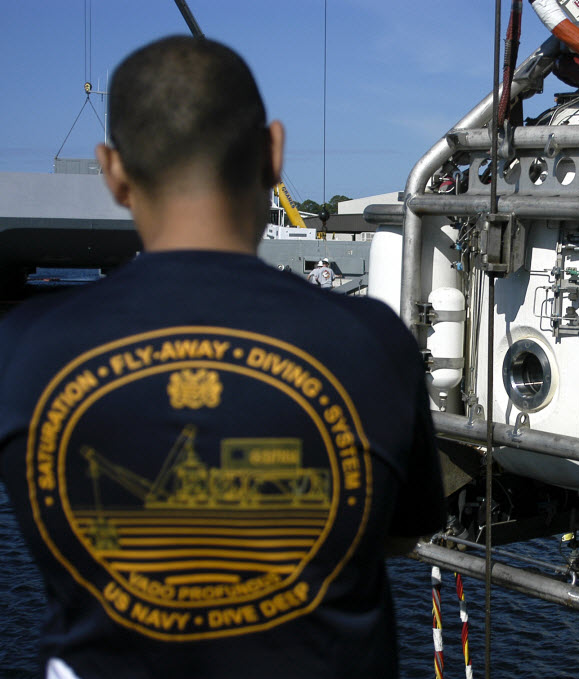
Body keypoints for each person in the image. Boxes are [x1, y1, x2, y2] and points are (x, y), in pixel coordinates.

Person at [0, 36, 444, 679]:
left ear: (112, 170)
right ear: (273, 153)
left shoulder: (24, 348)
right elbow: (403, 535)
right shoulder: (374, 343)